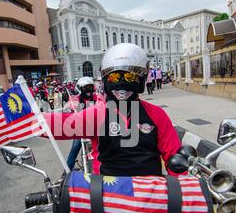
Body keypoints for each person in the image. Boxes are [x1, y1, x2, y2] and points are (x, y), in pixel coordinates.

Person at [43, 43, 182, 177]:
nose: (122, 82)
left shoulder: (157, 114)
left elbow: (175, 159)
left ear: (141, 80)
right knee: (75, 149)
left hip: (151, 194)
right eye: (114, 77)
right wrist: (29, 118)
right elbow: (63, 124)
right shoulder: (98, 114)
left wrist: (183, 187)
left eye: (130, 77)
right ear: (105, 80)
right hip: (108, 194)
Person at [65, 77, 102, 171]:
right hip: (80, 128)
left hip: (96, 128)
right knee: (75, 148)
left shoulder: (96, 98)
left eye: (90, 86)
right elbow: (70, 112)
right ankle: (67, 171)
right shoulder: (75, 99)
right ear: (80, 88)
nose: (88, 89)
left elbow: (103, 107)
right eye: (85, 87)